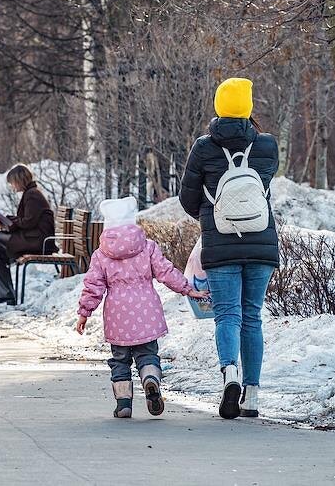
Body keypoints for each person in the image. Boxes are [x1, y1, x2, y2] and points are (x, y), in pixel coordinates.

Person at [178, 77, 279, 420]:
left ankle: (230, 373)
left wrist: (211, 218)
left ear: (219, 107)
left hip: (220, 244)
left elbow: (187, 198)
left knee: (227, 315)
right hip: (262, 242)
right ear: (248, 108)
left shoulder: (203, 147)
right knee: (252, 316)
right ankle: (251, 395)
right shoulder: (267, 145)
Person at [75, 196, 208, 418]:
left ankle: (124, 404)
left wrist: (84, 313)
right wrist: (187, 288)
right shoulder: (147, 247)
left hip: (118, 315)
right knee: (147, 354)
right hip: (146, 311)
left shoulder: (101, 254)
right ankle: (150, 379)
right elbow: (165, 272)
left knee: (120, 360)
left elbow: (93, 286)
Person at [0, 164, 56, 305]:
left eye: (12, 182)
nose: (12, 186)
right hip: (32, 237)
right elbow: (27, 220)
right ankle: (4, 295)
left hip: (37, 241)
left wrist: (9, 220)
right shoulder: (30, 193)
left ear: (19, 180)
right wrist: (7, 220)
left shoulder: (32, 195)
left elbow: (28, 222)